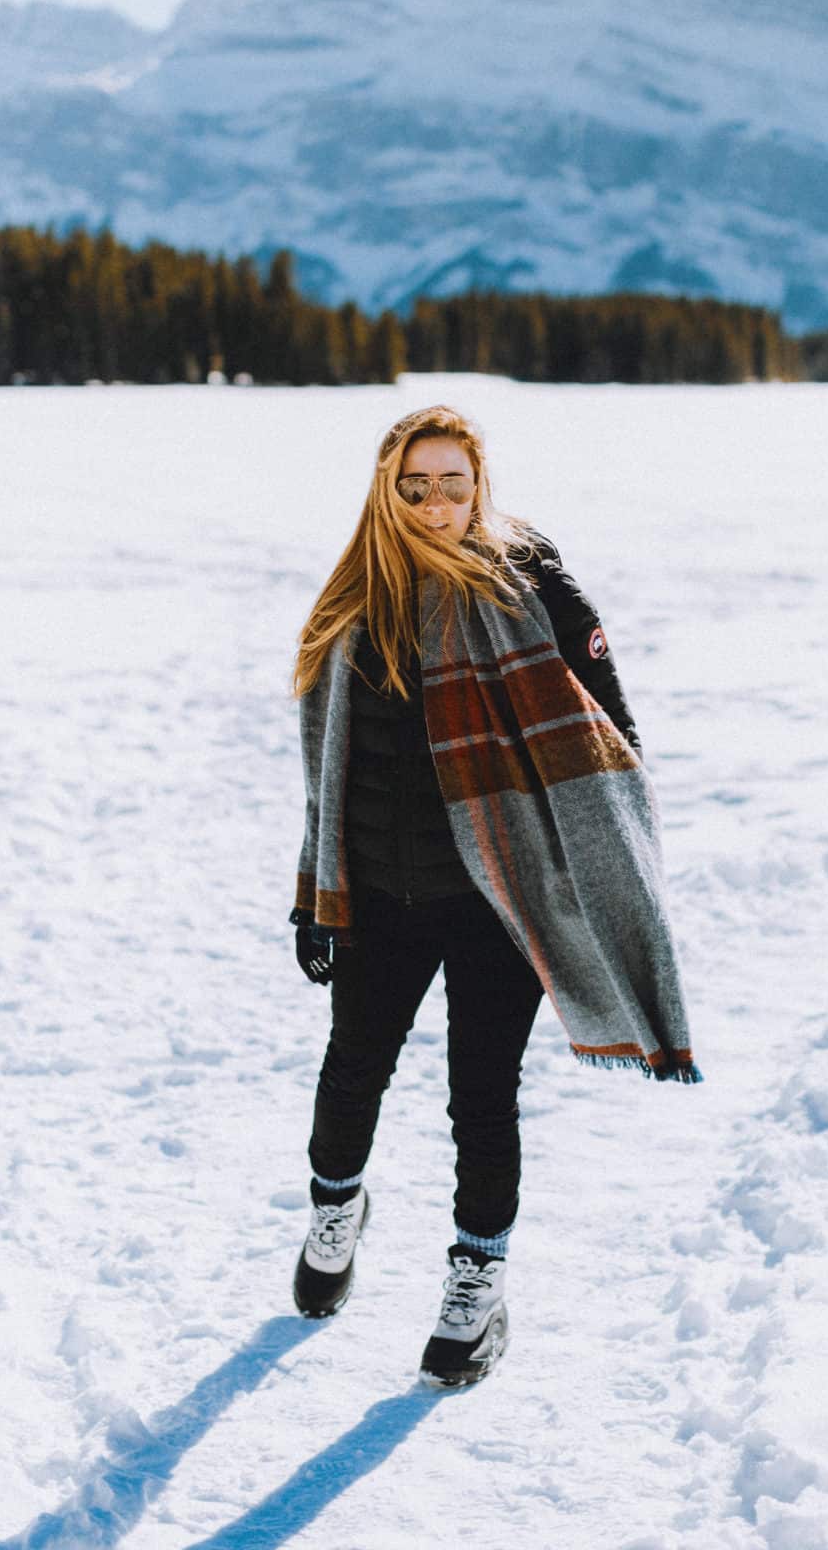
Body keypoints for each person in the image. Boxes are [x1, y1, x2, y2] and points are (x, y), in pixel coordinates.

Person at [288, 404, 699, 1388]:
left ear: (482, 489)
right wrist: (317, 895)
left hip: (499, 897)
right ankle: (335, 1204)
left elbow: (611, 736)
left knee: (481, 1094)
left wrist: (592, 865)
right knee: (354, 1071)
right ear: (388, 489)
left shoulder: (533, 587)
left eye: (454, 484)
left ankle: (476, 1286)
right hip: (384, 891)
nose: (435, 504)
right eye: (416, 484)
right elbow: (328, 772)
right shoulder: (354, 600)